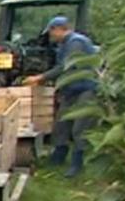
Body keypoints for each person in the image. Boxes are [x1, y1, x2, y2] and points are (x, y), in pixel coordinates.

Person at [24, 16, 99, 178]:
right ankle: (57, 158)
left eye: (51, 32)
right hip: (70, 91)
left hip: (85, 90)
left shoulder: (76, 42)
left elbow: (66, 66)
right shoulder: (64, 45)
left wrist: (40, 78)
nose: (51, 37)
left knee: (80, 128)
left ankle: (76, 165)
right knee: (61, 125)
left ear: (59, 29)